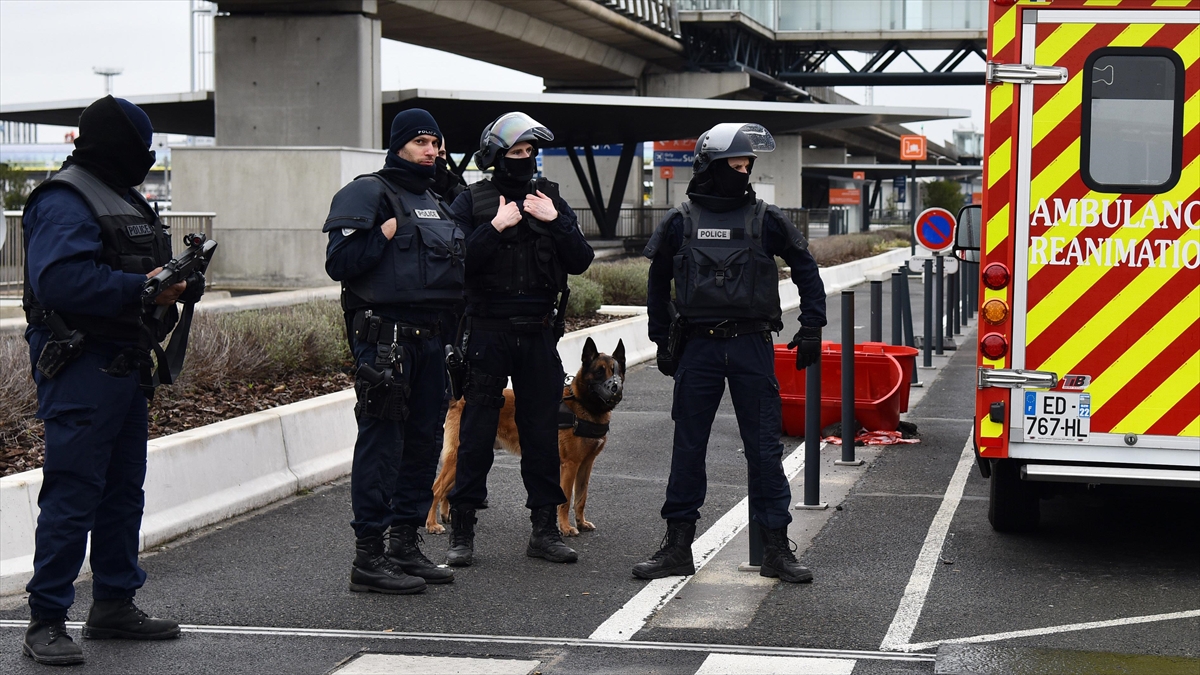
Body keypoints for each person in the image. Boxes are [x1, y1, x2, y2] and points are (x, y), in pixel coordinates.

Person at [21, 96, 203, 665]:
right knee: (74, 494)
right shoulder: (65, 198)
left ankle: (114, 605)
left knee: (123, 494)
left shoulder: (125, 198)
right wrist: (145, 287)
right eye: (140, 150)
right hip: (81, 366)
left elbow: (141, 270)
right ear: (119, 149)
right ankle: (46, 621)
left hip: (125, 365)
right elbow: (62, 282)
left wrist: (179, 285)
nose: (146, 160)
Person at [635, 123, 826, 584]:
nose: (742, 173)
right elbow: (658, 281)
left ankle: (776, 550)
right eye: (733, 165)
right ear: (709, 166)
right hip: (697, 347)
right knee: (688, 449)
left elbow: (805, 266)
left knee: (763, 450)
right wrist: (660, 338)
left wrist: (812, 326)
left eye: (746, 166)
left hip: (751, 346)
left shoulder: (766, 218)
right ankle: (677, 547)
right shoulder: (680, 219)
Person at [442, 112, 594, 567]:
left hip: (538, 333)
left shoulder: (550, 198)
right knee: (476, 434)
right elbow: (452, 261)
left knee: (542, 435)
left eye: (529, 152)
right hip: (487, 331)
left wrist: (557, 221)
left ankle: (545, 531)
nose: (524, 160)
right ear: (495, 156)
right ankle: (462, 532)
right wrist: (494, 227)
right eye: (515, 153)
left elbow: (581, 259)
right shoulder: (472, 200)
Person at [323, 109, 463, 594]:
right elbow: (339, 264)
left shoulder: (437, 201)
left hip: (432, 341)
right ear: (399, 144)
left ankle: (405, 544)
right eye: (421, 142)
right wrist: (378, 236)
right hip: (386, 343)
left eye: (436, 143)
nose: (431, 151)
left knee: (423, 445)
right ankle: (369, 556)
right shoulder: (368, 192)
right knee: (382, 446)